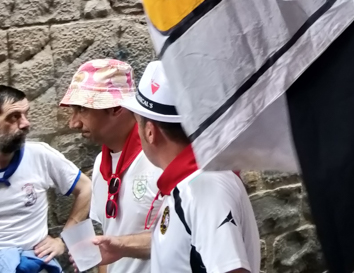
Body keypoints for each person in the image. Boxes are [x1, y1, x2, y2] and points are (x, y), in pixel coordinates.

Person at [100, 61, 260, 273]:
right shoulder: (189, 185)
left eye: (137, 123)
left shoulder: (204, 187)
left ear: (150, 132)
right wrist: (122, 247)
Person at [60, 59, 161, 273]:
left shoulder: (160, 159)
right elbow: (107, 239)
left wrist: (122, 246)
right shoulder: (100, 163)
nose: (73, 123)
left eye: (82, 109)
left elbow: (184, 234)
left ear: (116, 108)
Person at [0, 85, 92, 267]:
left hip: (34, 263)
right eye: (14, 117)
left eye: (26, 114)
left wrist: (63, 239)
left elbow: (86, 188)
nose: (26, 124)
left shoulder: (39, 155)